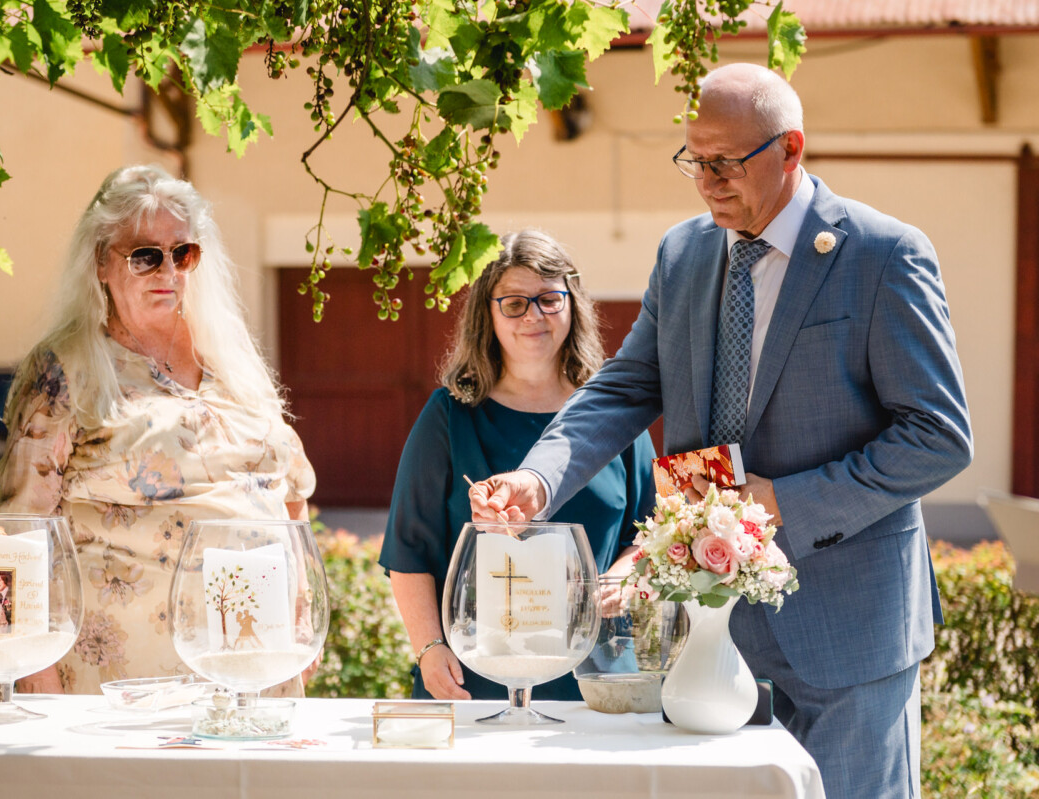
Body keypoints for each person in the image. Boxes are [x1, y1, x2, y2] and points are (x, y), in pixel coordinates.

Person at [470, 64, 972, 799]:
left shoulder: (883, 254)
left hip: (850, 629)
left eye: (726, 162)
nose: (706, 182)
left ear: (791, 149)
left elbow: (938, 435)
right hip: (712, 635)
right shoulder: (683, 253)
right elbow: (626, 386)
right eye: (694, 160)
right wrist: (537, 477)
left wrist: (780, 504)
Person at [0, 164, 316, 694]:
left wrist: (302, 614)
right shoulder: (66, 369)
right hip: (126, 687)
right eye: (145, 255)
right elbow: (16, 533)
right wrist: (32, 680)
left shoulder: (230, 358)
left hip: (256, 665)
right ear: (101, 261)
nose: (168, 270)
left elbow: (292, 490)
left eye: (182, 253)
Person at [380, 229, 656, 701]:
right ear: (487, 314)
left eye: (549, 299)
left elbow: (652, 532)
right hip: (476, 672)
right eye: (513, 303)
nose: (533, 316)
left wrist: (626, 574)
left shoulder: (613, 416)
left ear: (573, 304)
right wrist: (429, 647)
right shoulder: (449, 416)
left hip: (597, 674)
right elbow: (409, 552)